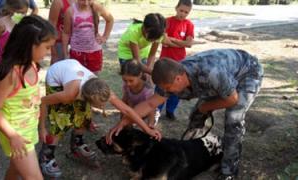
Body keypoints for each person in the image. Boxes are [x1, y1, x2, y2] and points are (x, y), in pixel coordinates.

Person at [108, 49, 264, 180]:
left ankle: (229, 171)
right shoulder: (168, 77)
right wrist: (124, 121)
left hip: (247, 72)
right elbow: (150, 103)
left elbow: (231, 99)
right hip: (220, 79)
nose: (167, 92)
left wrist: (206, 107)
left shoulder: (210, 73)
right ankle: (193, 151)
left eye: (169, 88)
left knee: (233, 119)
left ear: (178, 78)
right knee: (197, 114)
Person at [38, 59, 161, 178]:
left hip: (75, 75)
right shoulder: (68, 95)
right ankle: (46, 156)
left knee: (83, 116)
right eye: (99, 106)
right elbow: (42, 102)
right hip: (57, 77)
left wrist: (147, 129)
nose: (103, 107)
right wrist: (42, 127)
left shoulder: (103, 89)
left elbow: (127, 110)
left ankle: (77, 144)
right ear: (88, 100)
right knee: (61, 120)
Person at [0, 15, 56, 179]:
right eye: (47, 47)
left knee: (16, 168)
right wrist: (13, 136)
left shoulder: (32, 65)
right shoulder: (12, 74)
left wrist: (40, 127)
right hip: (15, 132)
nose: (49, 52)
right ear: (30, 45)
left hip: (28, 129)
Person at [158, 0, 194, 120]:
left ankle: (170, 110)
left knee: (177, 87)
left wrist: (173, 40)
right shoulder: (166, 21)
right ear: (176, 8)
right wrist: (181, 43)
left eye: (186, 12)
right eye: (181, 10)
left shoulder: (189, 25)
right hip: (165, 61)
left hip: (179, 62)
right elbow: (164, 41)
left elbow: (189, 44)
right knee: (161, 86)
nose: (183, 14)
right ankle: (156, 110)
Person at [62, 0, 113, 74]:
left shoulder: (97, 7)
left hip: (94, 52)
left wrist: (105, 36)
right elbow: (66, 33)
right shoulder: (70, 11)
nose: (86, 3)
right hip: (76, 52)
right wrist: (65, 52)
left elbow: (110, 20)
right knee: (77, 79)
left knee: (93, 80)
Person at [0, 0, 28, 65]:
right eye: (21, 13)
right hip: (6, 64)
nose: (23, 15)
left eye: (25, 13)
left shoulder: (22, 22)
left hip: (20, 62)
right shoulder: (0, 26)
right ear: (11, 10)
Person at [120, 60, 158, 128]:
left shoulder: (147, 90)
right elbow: (125, 100)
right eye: (125, 80)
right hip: (133, 110)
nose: (128, 84)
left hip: (147, 112)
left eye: (131, 80)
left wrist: (150, 124)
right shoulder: (126, 85)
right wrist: (122, 118)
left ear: (140, 75)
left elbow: (152, 108)